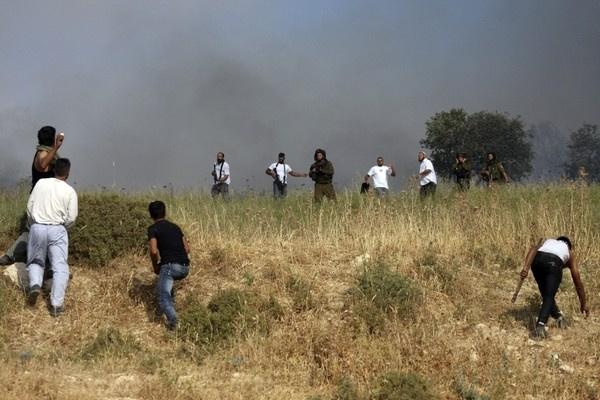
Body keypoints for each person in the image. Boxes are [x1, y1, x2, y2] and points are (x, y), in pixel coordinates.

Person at [0, 126, 65, 266]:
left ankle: (12, 256)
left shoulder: (48, 153)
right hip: (39, 200)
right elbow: (42, 165)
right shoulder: (42, 153)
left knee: (36, 231)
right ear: (52, 139)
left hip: (46, 199)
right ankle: (12, 257)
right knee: (35, 230)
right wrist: (56, 147)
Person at [26, 158, 78, 317]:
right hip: (57, 229)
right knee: (60, 266)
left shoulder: (41, 183)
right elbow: (72, 217)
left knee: (35, 260)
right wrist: (63, 228)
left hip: (38, 226)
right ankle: (56, 305)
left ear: (54, 170)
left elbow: (29, 207)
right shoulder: (70, 191)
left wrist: (33, 224)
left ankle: (35, 284)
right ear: (68, 173)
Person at [520, 236, 589, 339]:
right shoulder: (569, 253)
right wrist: (583, 304)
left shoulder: (548, 242)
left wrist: (526, 267)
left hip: (536, 261)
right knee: (549, 296)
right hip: (553, 263)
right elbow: (578, 282)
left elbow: (533, 248)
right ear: (568, 246)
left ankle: (558, 316)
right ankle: (540, 327)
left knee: (545, 292)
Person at [147, 200, 190, 330]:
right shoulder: (175, 227)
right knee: (168, 291)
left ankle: (176, 324)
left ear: (150, 214)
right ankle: (173, 314)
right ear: (165, 212)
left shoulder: (153, 229)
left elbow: (153, 251)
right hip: (185, 267)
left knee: (163, 297)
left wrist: (156, 266)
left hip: (170, 266)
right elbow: (187, 249)